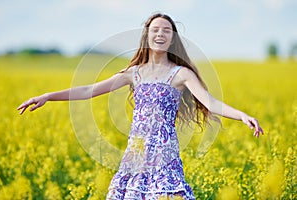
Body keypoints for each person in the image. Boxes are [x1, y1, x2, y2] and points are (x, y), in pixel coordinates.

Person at [17, 13, 263, 200]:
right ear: (146, 35)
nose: (160, 34)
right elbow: (88, 90)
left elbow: (209, 102)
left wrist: (241, 115)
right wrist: (48, 95)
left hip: (165, 155)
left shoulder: (181, 74)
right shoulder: (133, 73)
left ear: (173, 38)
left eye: (166, 30)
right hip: (135, 155)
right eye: (155, 29)